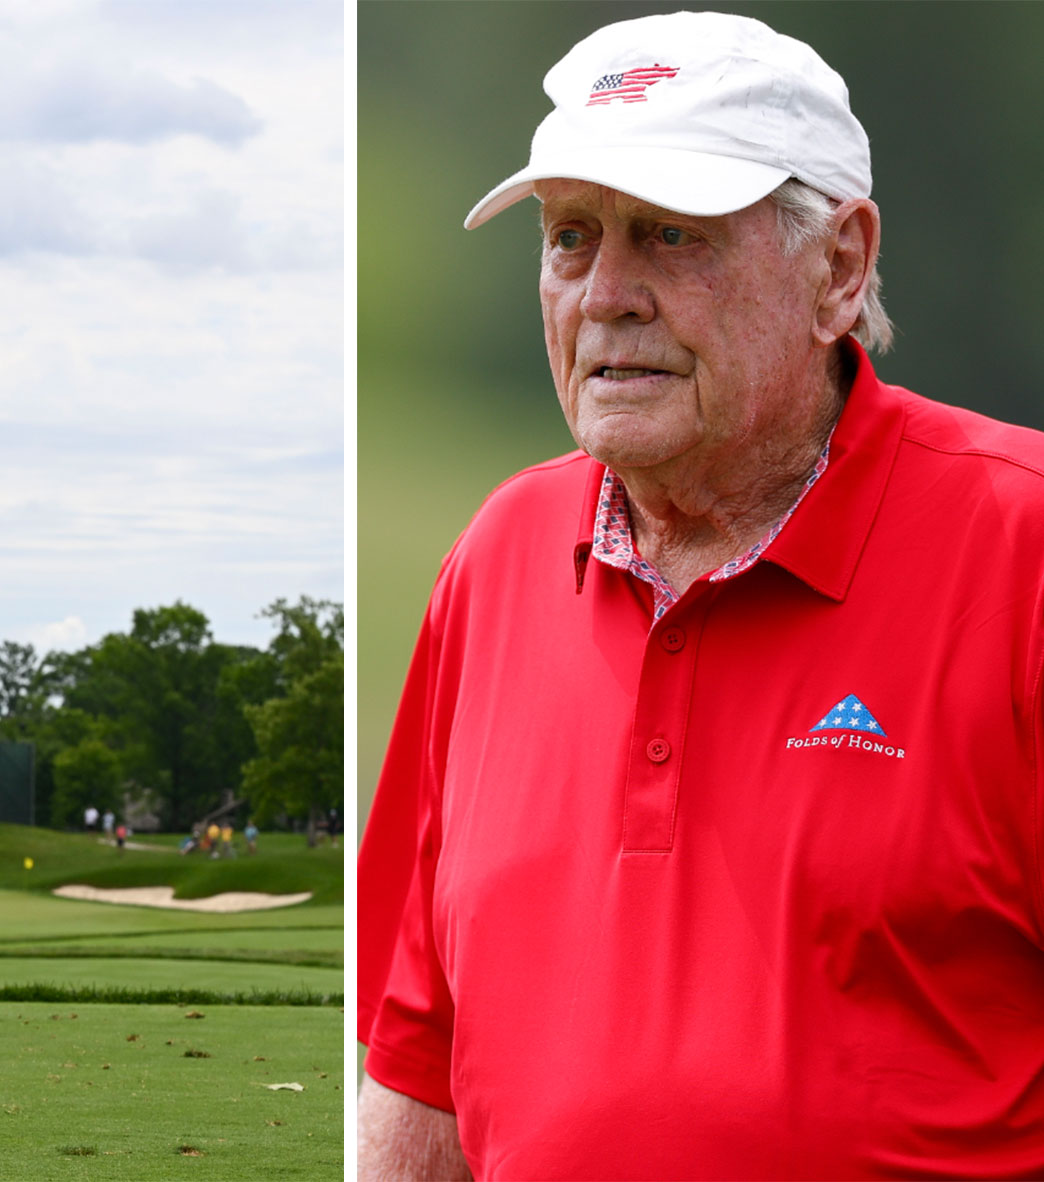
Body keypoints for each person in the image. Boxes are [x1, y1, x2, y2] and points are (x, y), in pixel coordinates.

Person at [357, 13, 1044, 1177]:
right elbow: (419, 1062)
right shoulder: (496, 556)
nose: (607, 295)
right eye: (572, 238)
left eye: (672, 235)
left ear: (839, 266)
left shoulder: (1020, 549)